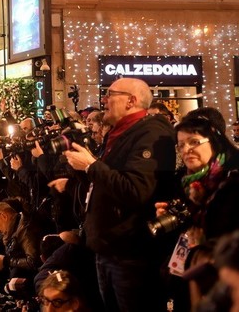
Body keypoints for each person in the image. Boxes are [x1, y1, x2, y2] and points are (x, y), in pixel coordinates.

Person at [64, 77, 176, 312]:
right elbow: (108, 183)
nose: (104, 99)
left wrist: (91, 166)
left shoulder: (150, 134)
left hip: (130, 253)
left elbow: (136, 190)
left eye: (110, 93)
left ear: (131, 101)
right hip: (108, 248)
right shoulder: (119, 134)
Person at [155, 115, 239, 307]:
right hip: (192, 279)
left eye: (194, 142)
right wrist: (173, 219)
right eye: (181, 145)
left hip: (228, 286)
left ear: (215, 142)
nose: (186, 149)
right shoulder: (186, 182)